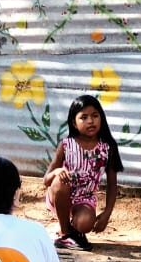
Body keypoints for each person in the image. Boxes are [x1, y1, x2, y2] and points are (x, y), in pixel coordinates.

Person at [43, 94, 122, 250]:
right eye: (83, 117)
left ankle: (74, 229)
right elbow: (46, 180)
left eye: (94, 116)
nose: (90, 121)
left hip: (85, 200)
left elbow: (112, 185)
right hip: (59, 195)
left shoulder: (108, 147)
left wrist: (106, 214)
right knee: (60, 180)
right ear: (74, 122)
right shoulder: (66, 145)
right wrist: (58, 171)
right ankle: (65, 233)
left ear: (101, 118)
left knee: (85, 223)